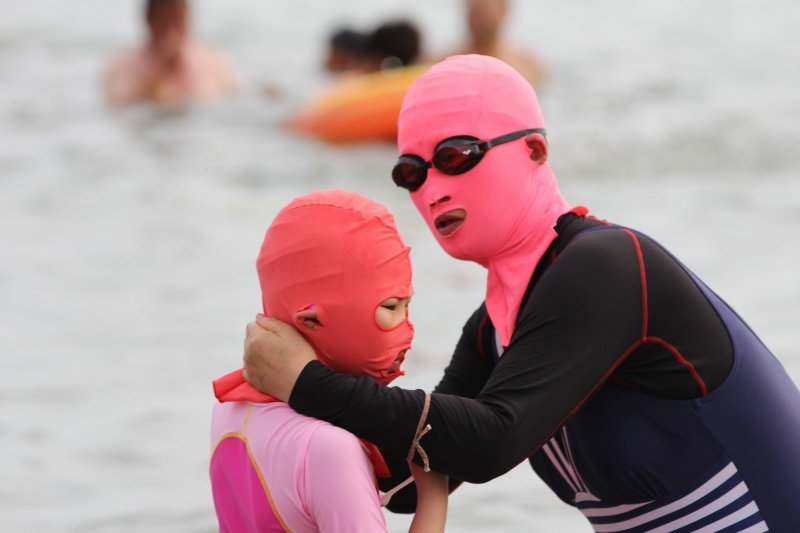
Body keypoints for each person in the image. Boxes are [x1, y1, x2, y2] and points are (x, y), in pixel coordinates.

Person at [241, 55, 800, 531]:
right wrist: (269, 411)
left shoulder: (607, 268)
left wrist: (308, 383)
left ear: (534, 150)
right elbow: (415, 474)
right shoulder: (495, 325)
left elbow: (489, 442)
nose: (433, 189)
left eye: (456, 157)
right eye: (411, 172)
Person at [210, 190, 448, 532]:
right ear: (311, 320)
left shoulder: (230, 408)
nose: (407, 327)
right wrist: (434, 492)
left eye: (407, 306)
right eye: (390, 307)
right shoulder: (330, 448)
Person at [104, 0, 236, 107]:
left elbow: (237, 94)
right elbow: (118, 108)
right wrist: (159, 67)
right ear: (149, 21)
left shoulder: (209, 59)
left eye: (178, 21)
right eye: (166, 21)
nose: (173, 32)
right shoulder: (123, 66)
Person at [448, 0, 545, 86]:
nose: (478, 21)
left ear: (503, 10)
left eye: (484, 12)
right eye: (473, 12)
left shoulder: (527, 65)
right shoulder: (447, 63)